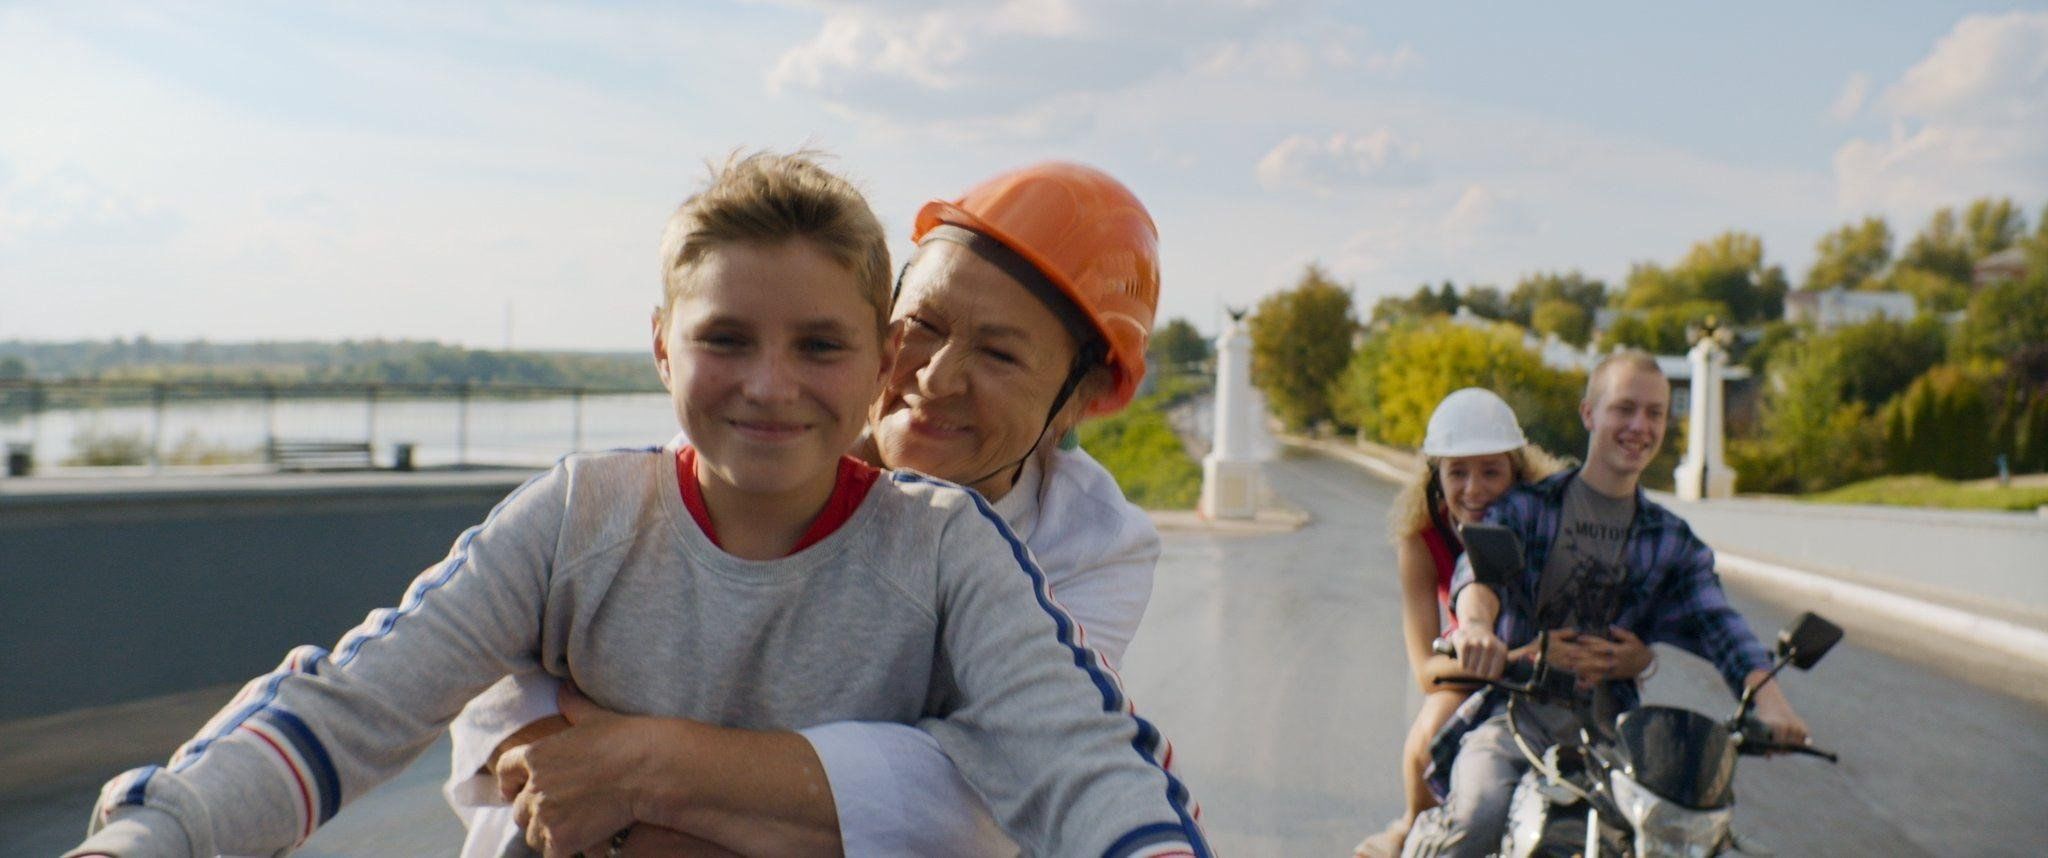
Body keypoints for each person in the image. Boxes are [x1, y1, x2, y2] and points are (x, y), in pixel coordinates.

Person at [66, 152, 1206, 858]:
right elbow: (361, 700)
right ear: (662, 349)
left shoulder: (968, 553)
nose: (770, 387)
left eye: (819, 345)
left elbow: (1065, 768)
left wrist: (642, 774)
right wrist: (157, 833)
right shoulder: (582, 516)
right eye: (726, 340)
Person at [441, 161, 1178, 857]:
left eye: (1000, 355)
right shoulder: (762, 444)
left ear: (1079, 400)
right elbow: (496, 647)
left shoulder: (1091, 547)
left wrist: (640, 768)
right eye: (924, 325)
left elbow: (993, 793)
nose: (935, 377)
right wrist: (553, 760)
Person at [1401, 351, 1810, 858]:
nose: (1640, 425)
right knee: (1477, 816)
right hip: (1516, 719)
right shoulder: (1527, 507)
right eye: (1624, 408)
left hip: (1615, 742)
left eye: (1654, 413)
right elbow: (1479, 574)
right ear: (1589, 413)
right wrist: (1477, 628)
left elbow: (1721, 626)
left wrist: (1770, 702)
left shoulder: (1672, 542)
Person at [1351, 388, 1651, 858]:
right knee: (1430, 738)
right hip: (1470, 664)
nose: (1474, 489)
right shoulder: (1421, 541)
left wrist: (1632, 652)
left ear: (1519, 471)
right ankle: (1413, 823)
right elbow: (1427, 671)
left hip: (1557, 673)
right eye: (1458, 472)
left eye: (1491, 471)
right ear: (1435, 476)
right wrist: (1515, 656)